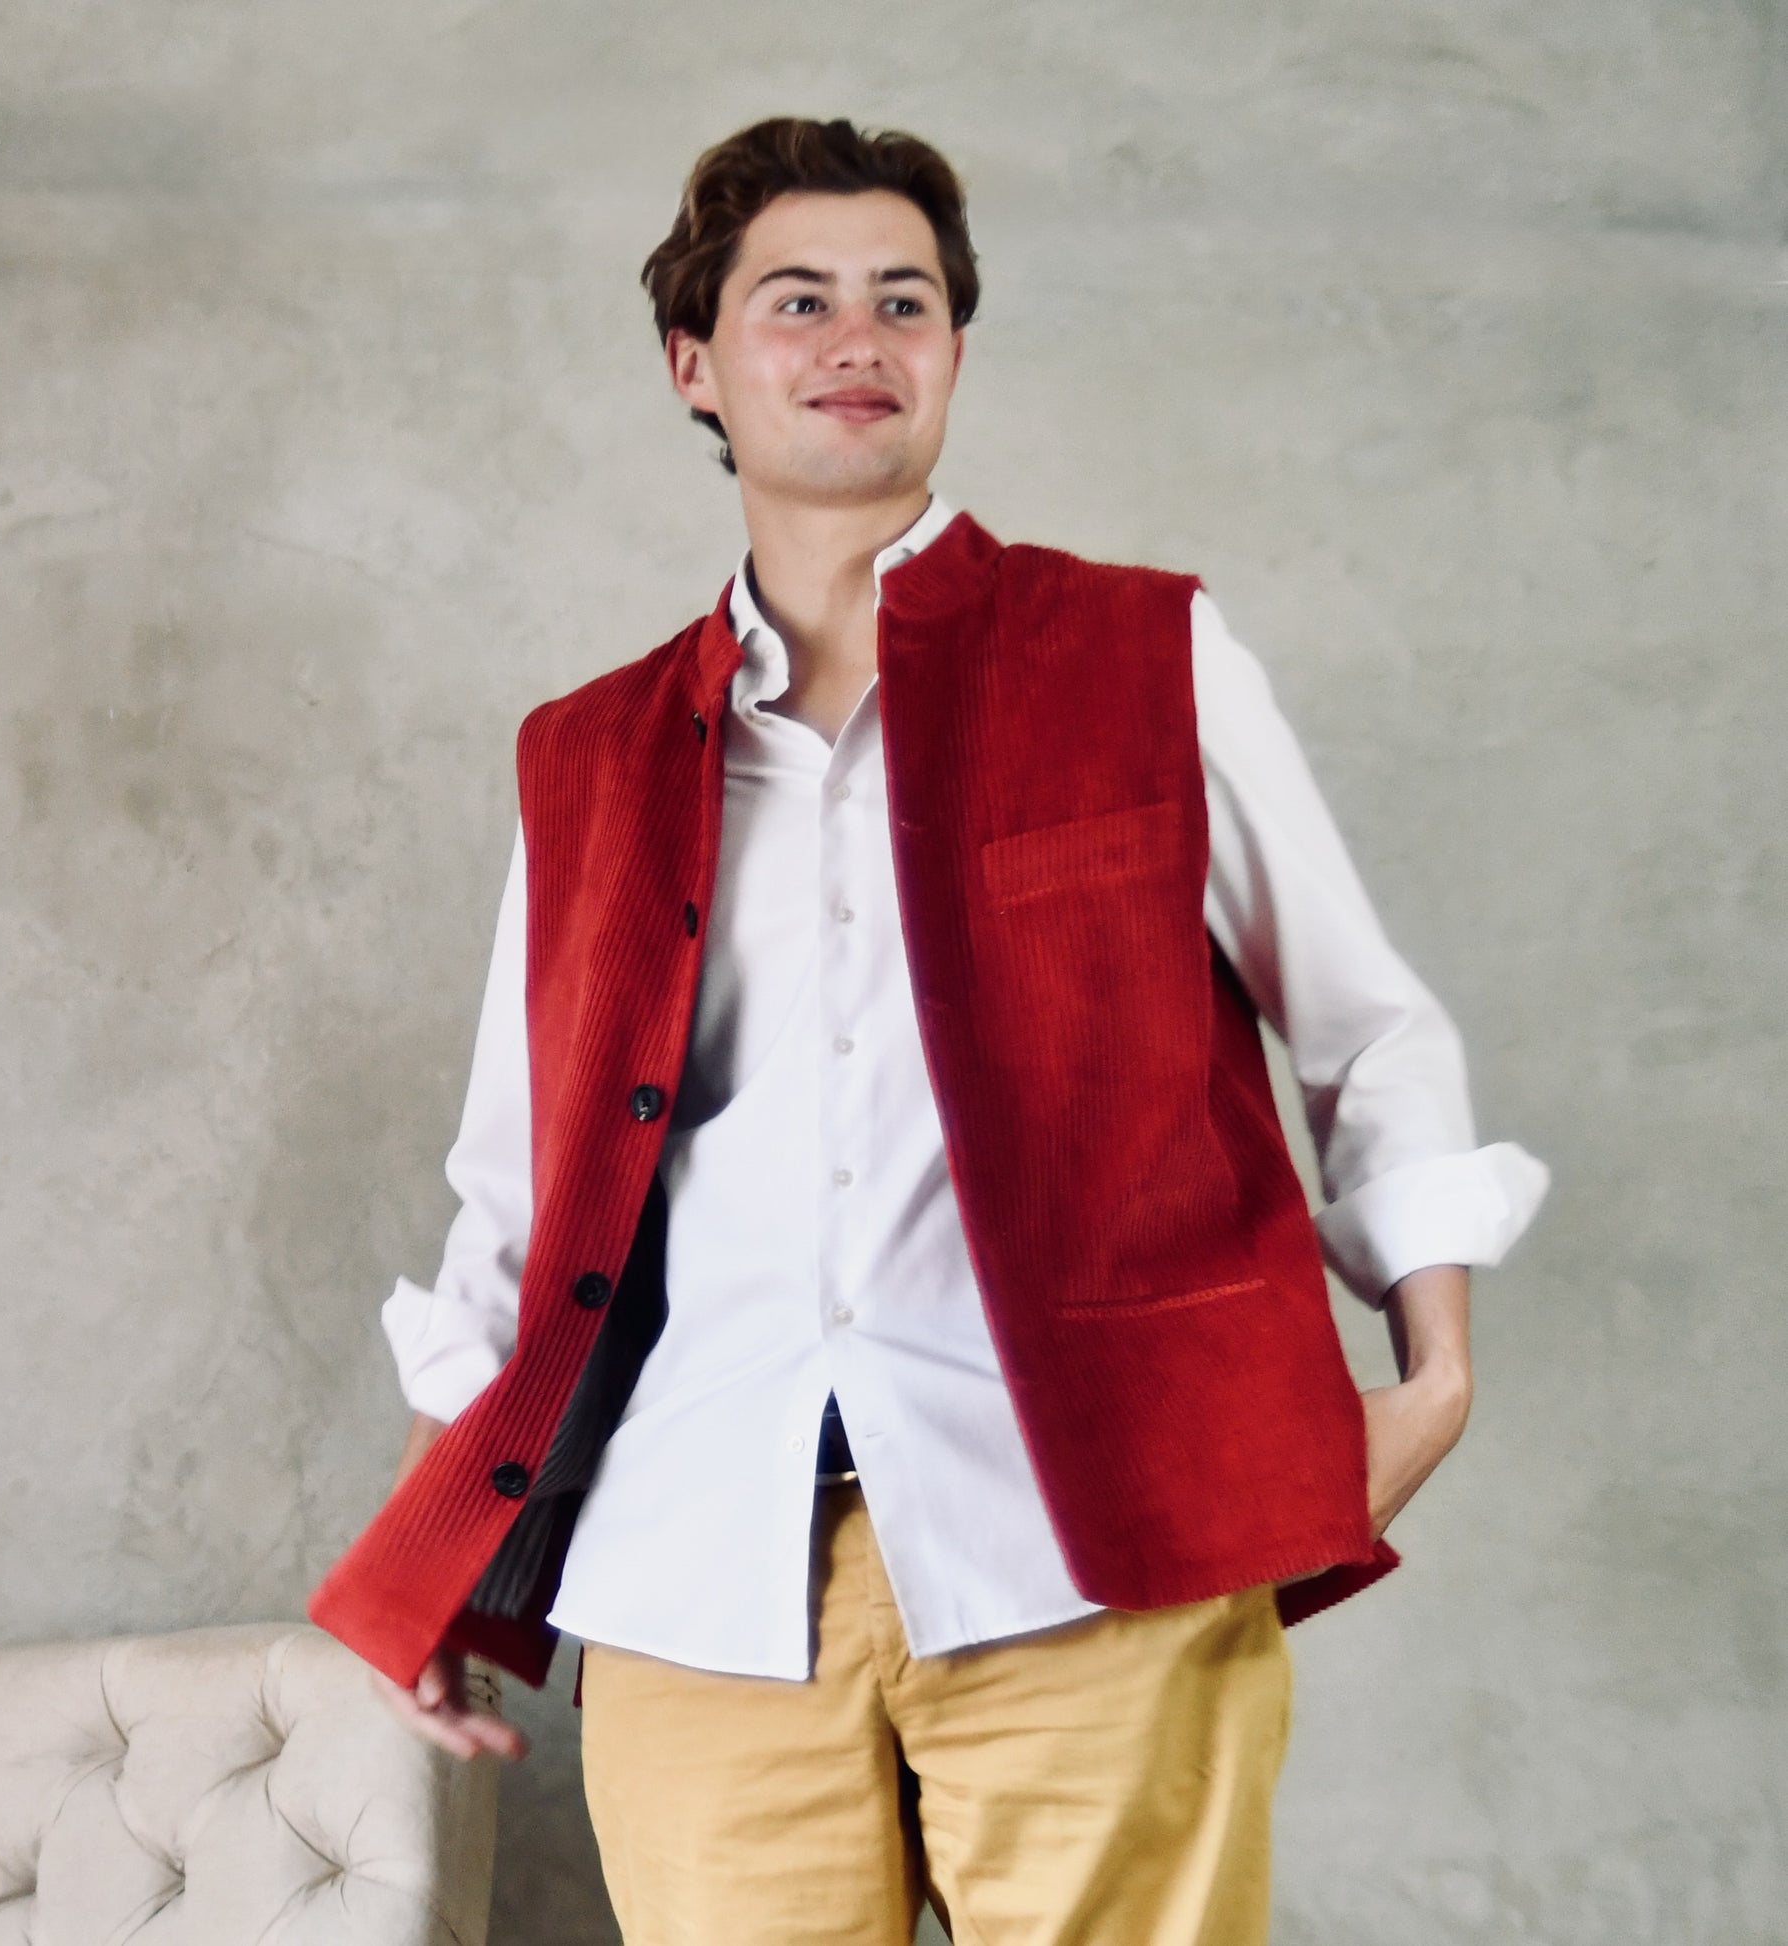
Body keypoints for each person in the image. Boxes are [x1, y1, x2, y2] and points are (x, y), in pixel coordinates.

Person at [308, 115, 1548, 1945]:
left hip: (1087, 1553)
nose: (856, 340)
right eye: (796, 300)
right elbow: (516, 1192)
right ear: (695, 364)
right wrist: (439, 1549)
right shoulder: (588, 755)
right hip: (696, 1575)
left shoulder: (1143, 652)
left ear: (954, 349)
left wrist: (1431, 1377)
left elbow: (1361, 1027)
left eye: (903, 300)